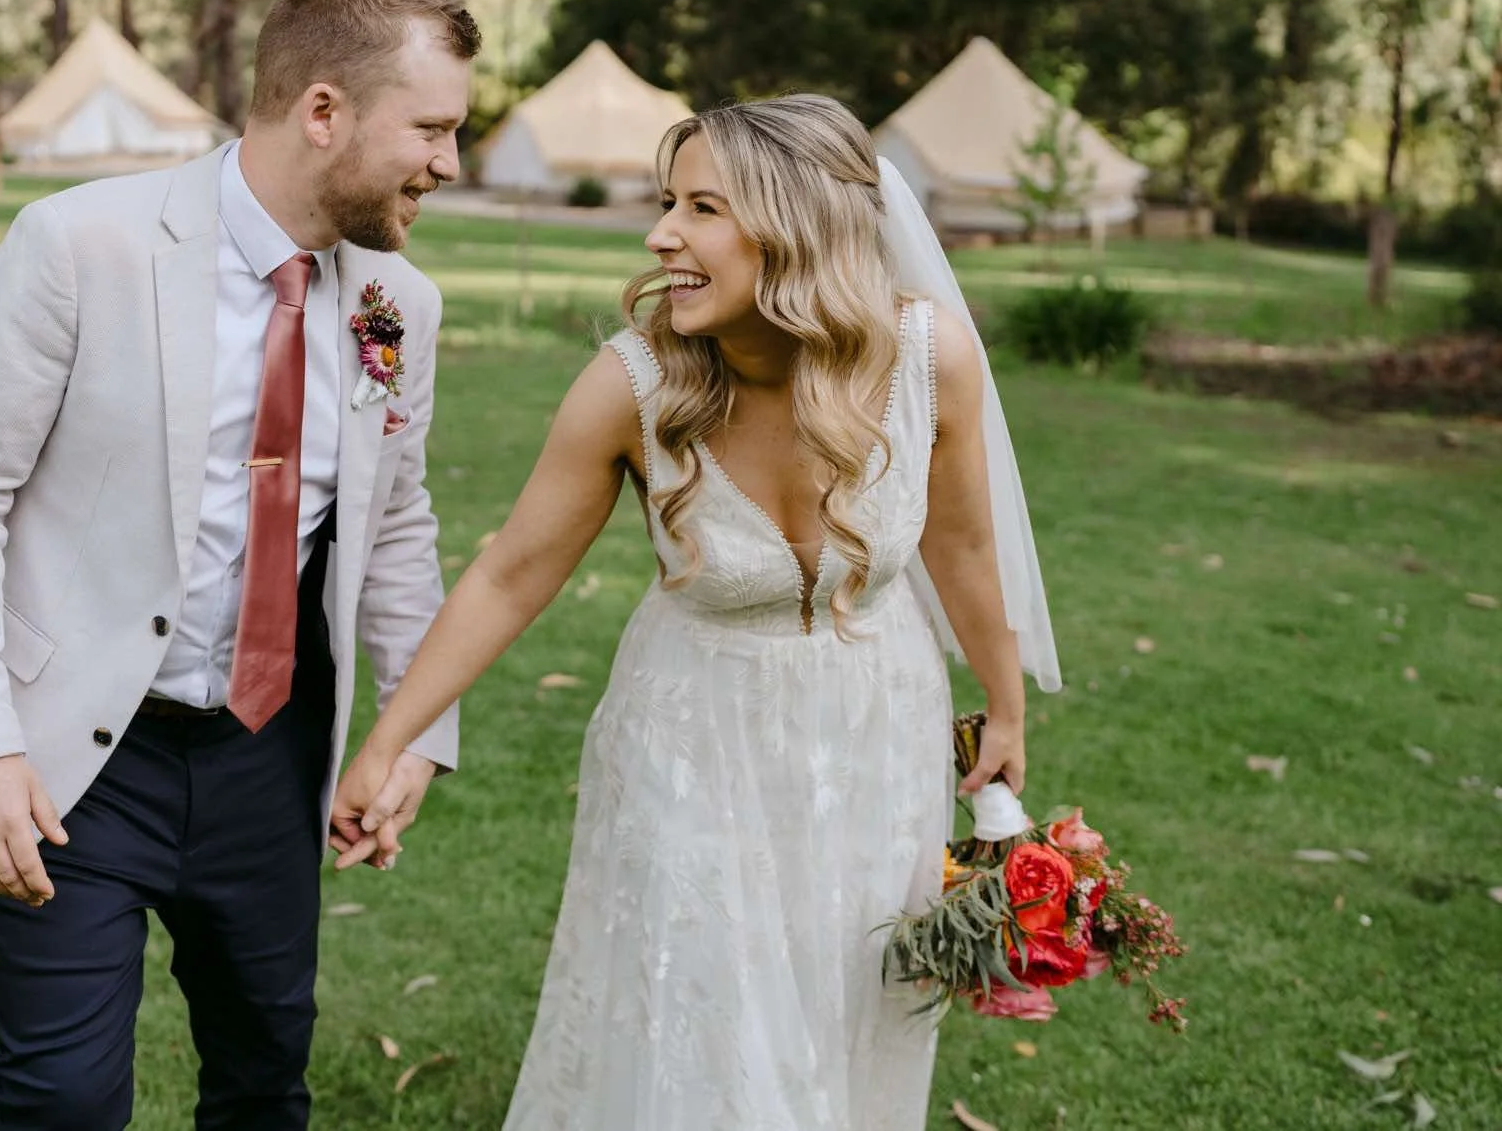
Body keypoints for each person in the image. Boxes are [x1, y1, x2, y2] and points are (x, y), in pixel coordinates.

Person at [330, 94, 1062, 1129]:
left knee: (846, 1008)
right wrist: (391, 738)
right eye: (666, 202)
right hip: (690, 736)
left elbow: (963, 544)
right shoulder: (629, 387)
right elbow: (510, 574)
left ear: (797, 226)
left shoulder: (927, 359)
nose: (659, 234)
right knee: (703, 1015)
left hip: (875, 727)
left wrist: (1004, 706)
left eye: (700, 208)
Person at [0, 0, 479, 1130]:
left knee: (264, 1079)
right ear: (324, 110)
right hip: (73, 764)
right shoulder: (79, 244)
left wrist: (412, 730)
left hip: (272, 760)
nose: (447, 164)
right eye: (430, 127)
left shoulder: (393, 306)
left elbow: (395, 521)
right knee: (60, 1101)